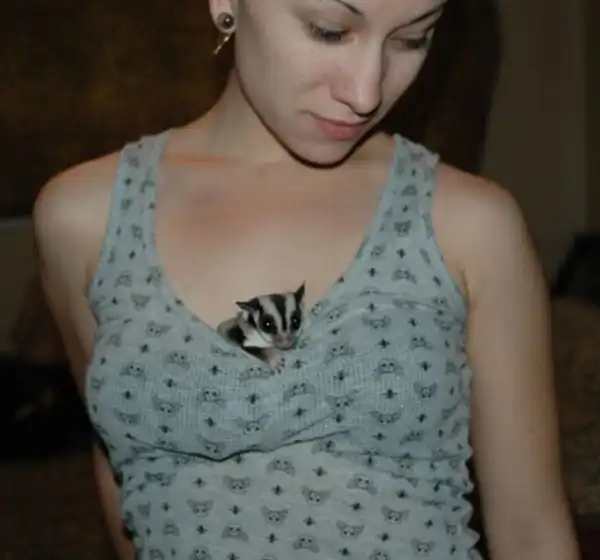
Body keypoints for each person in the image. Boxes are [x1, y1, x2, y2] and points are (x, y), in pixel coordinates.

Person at [32, 0, 580, 559]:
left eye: (411, 39)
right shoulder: (85, 220)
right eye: (329, 31)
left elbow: (532, 533)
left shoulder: (468, 223)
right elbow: (127, 479)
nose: (366, 92)